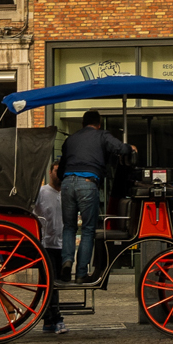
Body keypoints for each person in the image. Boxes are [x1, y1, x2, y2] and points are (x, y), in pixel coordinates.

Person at [59, 110, 135, 282]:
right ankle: (80, 274)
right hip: (87, 182)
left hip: (67, 183)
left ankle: (67, 261)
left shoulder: (70, 139)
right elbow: (120, 148)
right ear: (99, 124)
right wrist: (131, 147)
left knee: (69, 227)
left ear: (82, 123)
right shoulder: (102, 135)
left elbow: (61, 168)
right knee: (87, 230)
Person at [35, 163, 67, 335]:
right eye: (57, 170)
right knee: (51, 282)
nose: (59, 174)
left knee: (57, 282)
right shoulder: (41, 192)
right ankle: (55, 317)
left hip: (62, 244)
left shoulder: (66, 193)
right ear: (50, 172)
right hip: (46, 244)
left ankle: (49, 319)